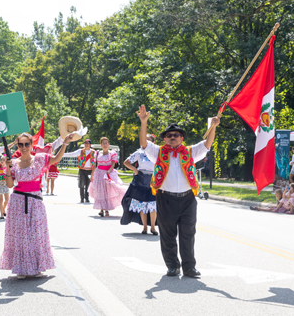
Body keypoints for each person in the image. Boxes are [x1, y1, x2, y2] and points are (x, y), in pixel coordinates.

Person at [137, 104, 220, 278]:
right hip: (165, 199)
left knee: (188, 234)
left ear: (182, 137)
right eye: (169, 135)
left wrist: (213, 127)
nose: (172, 137)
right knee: (167, 234)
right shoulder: (158, 151)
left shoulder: (190, 151)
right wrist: (143, 122)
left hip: (188, 199)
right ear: (165, 139)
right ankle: (172, 266)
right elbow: (144, 143)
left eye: (176, 135)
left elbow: (207, 144)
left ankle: (189, 267)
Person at [0, 132, 73, 279]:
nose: (24, 147)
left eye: (27, 144)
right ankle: (20, 268)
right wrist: (7, 168)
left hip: (35, 201)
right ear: (18, 146)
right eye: (21, 144)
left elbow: (56, 158)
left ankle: (38, 266)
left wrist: (64, 143)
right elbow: (9, 185)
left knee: (36, 234)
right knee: (20, 235)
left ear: (32, 145)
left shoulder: (40, 159)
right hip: (18, 202)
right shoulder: (13, 162)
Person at [120, 134, 158, 235]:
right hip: (141, 178)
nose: (146, 142)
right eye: (144, 140)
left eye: (149, 140)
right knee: (142, 204)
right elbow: (126, 162)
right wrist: (135, 170)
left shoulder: (157, 152)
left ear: (153, 143)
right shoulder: (139, 152)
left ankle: (153, 228)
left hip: (153, 179)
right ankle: (145, 227)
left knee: (153, 204)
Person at [88, 137, 126, 217]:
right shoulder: (97, 153)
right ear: (101, 145)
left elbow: (113, 163)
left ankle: (107, 210)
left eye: (106, 143)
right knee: (100, 191)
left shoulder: (112, 153)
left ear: (108, 144)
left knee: (107, 192)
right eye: (103, 143)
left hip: (108, 174)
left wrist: (109, 170)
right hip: (99, 174)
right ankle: (101, 210)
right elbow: (95, 165)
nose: (105, 145)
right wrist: (92, 174)